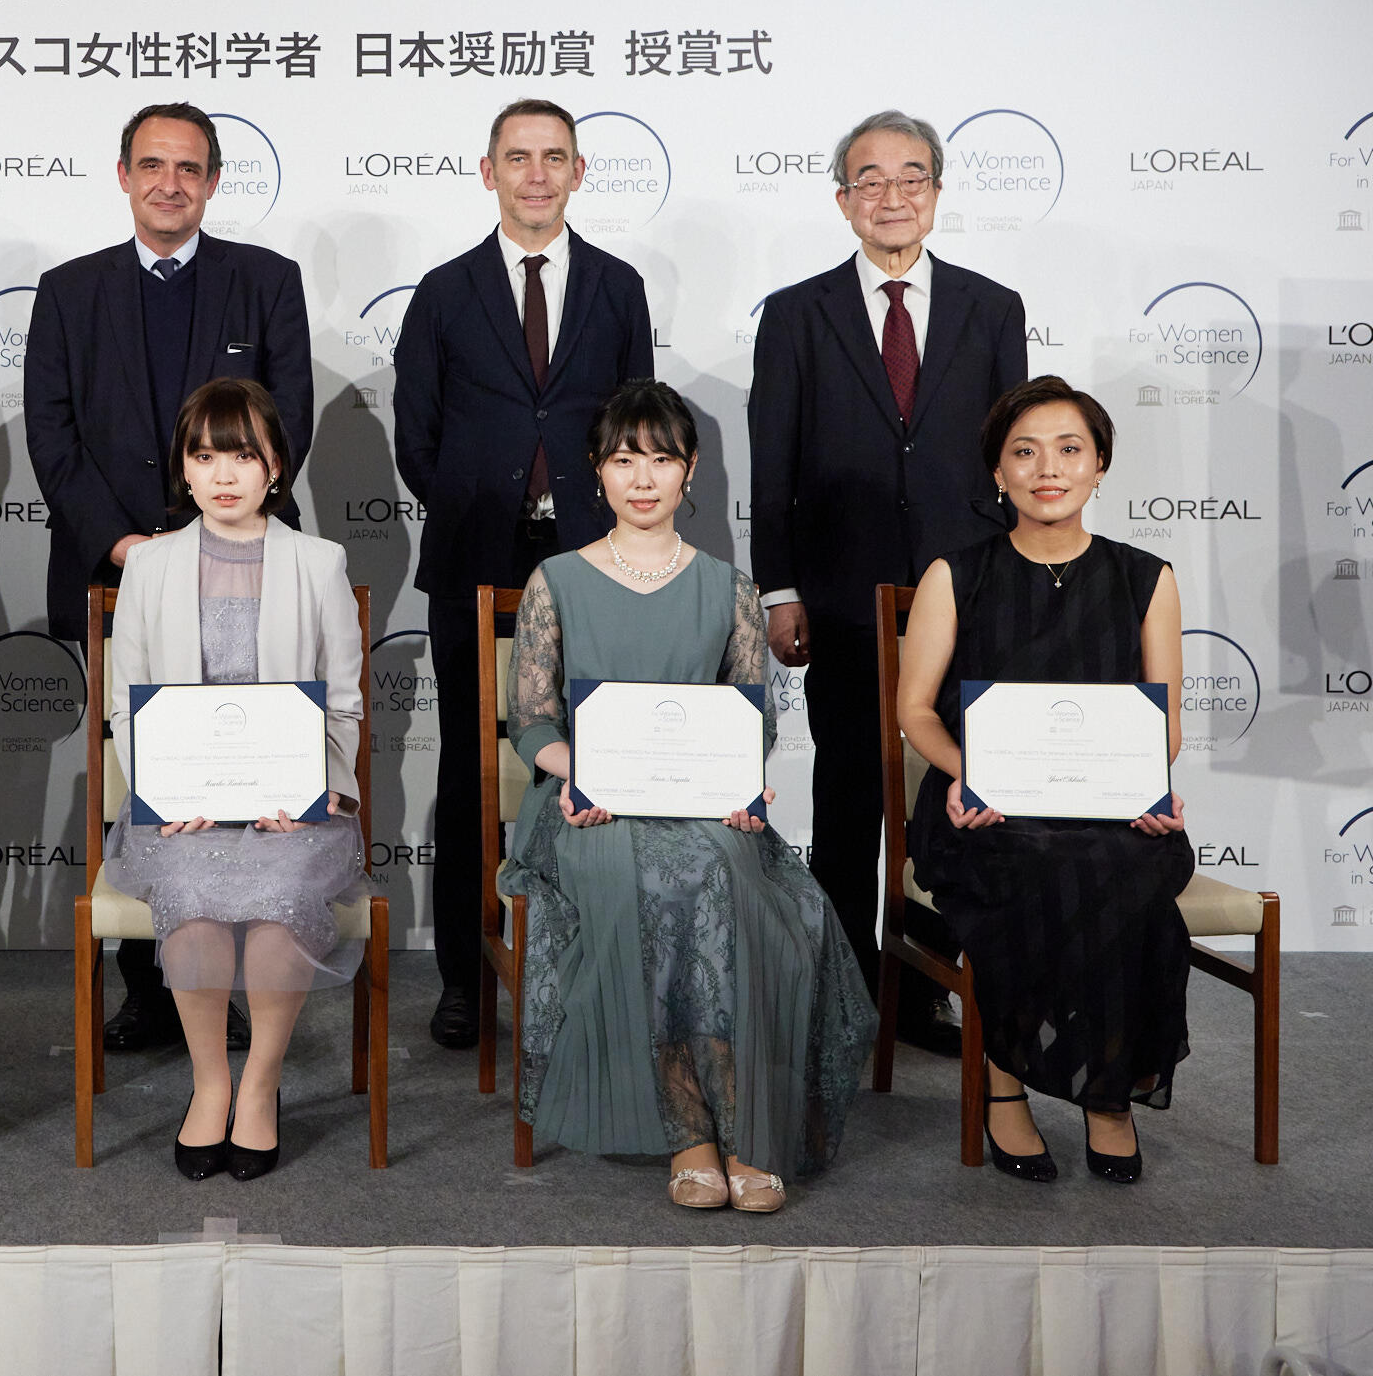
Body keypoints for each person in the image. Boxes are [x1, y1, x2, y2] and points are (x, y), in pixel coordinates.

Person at [503, 380, 874, 1212]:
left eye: (661, 458)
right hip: (587, 805)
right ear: (596, 470)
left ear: (689, 468)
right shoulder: (555, 580)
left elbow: (754, 721)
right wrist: (578, 770)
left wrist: (745, 788)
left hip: (707, 805)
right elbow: (529, 718)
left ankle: (744, 1125)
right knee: (654, 878)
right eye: (624, 458)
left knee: (728, 879)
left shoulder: (730, 588)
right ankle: (690, 1129)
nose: (643, 477)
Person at [27, 102, 316, 1053]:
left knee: (242, 763)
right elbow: (53, 438)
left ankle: (230, 972)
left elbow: (290, 422)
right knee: (143, 770)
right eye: (151, 164)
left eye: (189, 168)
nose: (169, 182)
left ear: (214, 181)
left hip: (244, 564)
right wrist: (126, 546)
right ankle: (148, 987)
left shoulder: (266, 281)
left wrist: (208, 530)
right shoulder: (69, 290)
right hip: (118, 574)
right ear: (122, 175)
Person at [748, 109, 1027, 1054]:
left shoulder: (994, 308)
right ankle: (844, 995)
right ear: (842, 201)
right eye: (870, 179)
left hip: (969, 593)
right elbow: (771, 458)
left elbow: (1014, 459)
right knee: (849, 797)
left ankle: (926, 994)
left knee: (953, 796)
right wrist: (779, 589)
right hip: (842, 594)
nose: (892, 195)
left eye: (913, 177)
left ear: (938, 196)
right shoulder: (797, 313)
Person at [393, 98, 654, 1051]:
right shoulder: (445, 289)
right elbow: (415, 438)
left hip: (597, 560)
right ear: (487, 170)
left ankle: (590, 970)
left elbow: (637, 424)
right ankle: (467, 975)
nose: (536, 174)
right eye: (518, 157)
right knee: (472, 770)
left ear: (579, 172)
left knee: (599, 762)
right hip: (476, 558)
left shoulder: (619, 288)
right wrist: (489, 501)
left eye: (554, 157)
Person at [896, 377, 1190, 1184]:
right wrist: (972, 773)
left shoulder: (1145, 576)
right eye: (1023, 452)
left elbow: (1162, 721)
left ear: (1100, 466)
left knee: (1125, 871)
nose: (1046, 468)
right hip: (981, 802)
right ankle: (1006, 1082)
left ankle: (1107, 1091)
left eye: (1069, 449)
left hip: (1108, 803)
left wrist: (1144, 787)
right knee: (1029, 869)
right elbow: (916, 712)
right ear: (998, 472)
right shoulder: (956, 575)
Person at [97, 378, 369, 1180]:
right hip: (179, 809)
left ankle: (260, 1085)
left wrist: (316, 796)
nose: (223, 474)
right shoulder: (148, 566)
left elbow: (344, 704)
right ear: (183, 467)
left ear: (275, 465)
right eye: (205, 455)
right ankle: (209, 1085)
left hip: (295, 807)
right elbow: (127, 705)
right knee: (195, 904)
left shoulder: (319, 563)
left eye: (242, 455)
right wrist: (163, 798)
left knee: (282, 906)